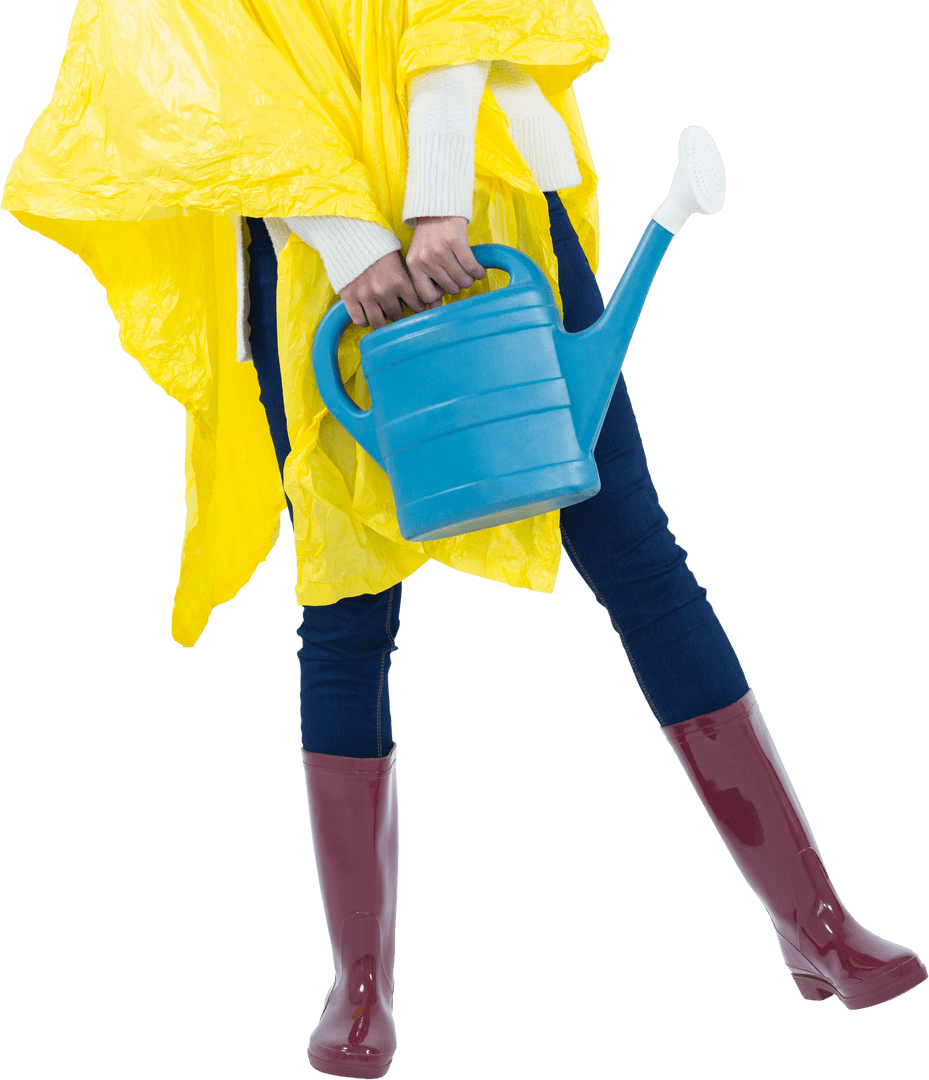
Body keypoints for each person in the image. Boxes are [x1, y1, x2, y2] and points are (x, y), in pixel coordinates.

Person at [3, 4, 925, 1079]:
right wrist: (347, 241)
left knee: (636, 554)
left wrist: (435, 203)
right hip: (311, 270)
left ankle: (811, 920)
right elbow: (189, 67)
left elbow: (462, 5)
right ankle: (360, 986)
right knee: (345, 612)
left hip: (494, 220)